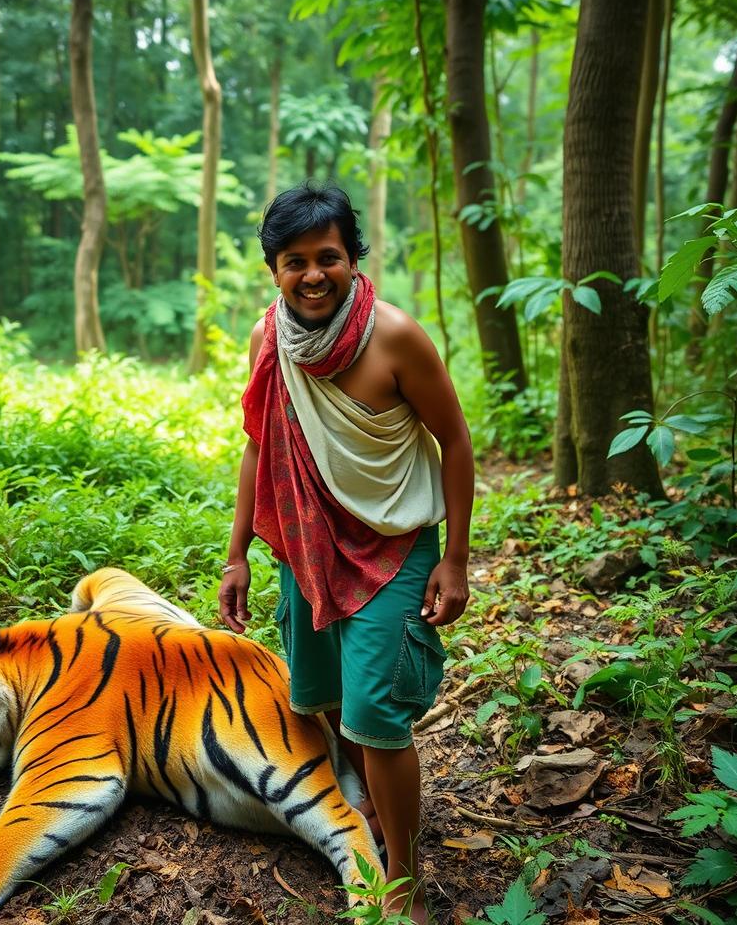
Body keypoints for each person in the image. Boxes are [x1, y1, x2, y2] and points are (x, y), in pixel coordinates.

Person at [219, 182, 473, 924]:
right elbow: (260, 443)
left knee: (376, 717)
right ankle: (367, 811)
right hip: (305, 544)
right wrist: (237, 554)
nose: (312, 274)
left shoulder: (395, 337)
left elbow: (454, 443)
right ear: (273, 269)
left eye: (327, 256)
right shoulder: (270, 337)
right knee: (326, 698)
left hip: (395, 549)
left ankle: (405, 878)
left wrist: (455, 560)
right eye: (294, 260)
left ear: (353, 259)